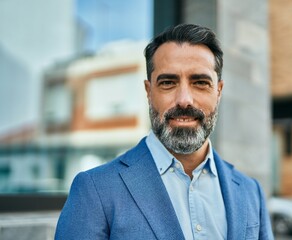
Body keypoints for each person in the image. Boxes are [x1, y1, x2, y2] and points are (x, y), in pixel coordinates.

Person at [55, 23, 274, 240]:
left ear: (218, 91)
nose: (184, 100)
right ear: (149, 92)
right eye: (168, 82)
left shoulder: (250, 190)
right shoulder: (95, 190)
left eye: (200, 82)